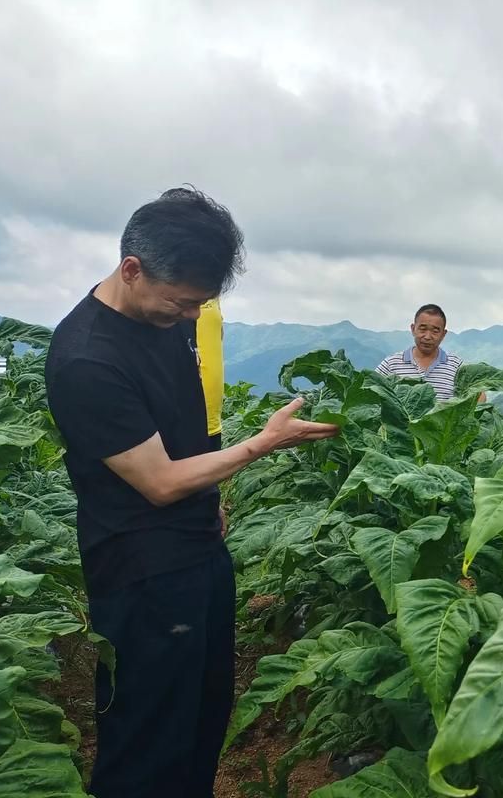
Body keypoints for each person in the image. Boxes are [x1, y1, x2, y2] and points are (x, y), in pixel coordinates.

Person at [44, 187, 339, 798]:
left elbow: (186, 429)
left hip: (200, 549)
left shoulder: (168, 314)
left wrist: (214, 502)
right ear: (132, 269)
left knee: (202, 716)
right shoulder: (87, 360)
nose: (188, 317)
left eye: (199, 305)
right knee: (147, 736)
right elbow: (157, 482)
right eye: (181, 304)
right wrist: (263, 443)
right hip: (142, 572)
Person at [376, 303, 463, 400]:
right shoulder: (391, 364)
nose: (427, 336)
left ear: (443, 334)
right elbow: (370, 390)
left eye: (435, 331)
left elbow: (478, 395)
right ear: (413, 329)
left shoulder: (456, 366)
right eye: (423, 329)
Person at [182, 298, 224, 450]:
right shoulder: (166, 282)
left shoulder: (211, 289)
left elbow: (218, 335)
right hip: (180, 417)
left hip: (212, 417)